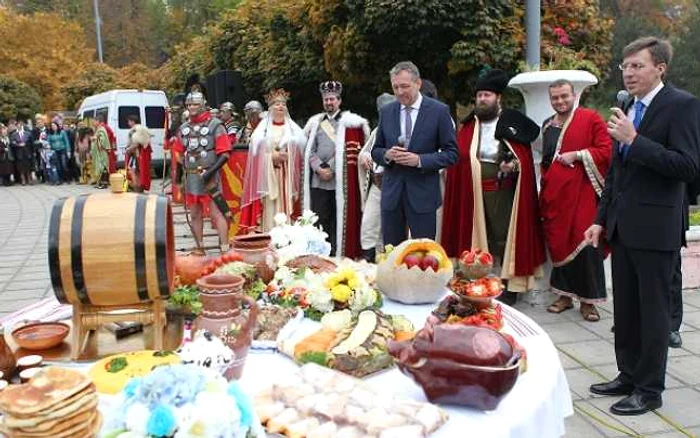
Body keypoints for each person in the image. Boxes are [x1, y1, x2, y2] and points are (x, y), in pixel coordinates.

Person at [587, 37, 700, 416]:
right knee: (628, 311)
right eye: (626, 67)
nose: (629, 73)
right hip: (622, 227)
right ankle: (628, 374)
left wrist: (635, 141)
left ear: (660, 68)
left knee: (653, 315)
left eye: (637, 66)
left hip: (656, 228)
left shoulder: (682, 106)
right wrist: (600, 220)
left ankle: (649, 390)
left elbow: (688, 166)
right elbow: (616, 171)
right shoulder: (627, 106)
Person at [441, 69, 545, 305]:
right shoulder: (468, 127)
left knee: (503, 235)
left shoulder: (512, 122)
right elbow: (459, 160)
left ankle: (510, 284)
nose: (481, 100)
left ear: (498, 98)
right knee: (477, 234)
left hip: (504, 190)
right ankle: (477, 277)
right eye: (479, 96)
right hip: (473, 191)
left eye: (486, 95)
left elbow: (526, 157)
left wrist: (514, 165)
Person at [539, 79, 613, 322]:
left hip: (582, 195)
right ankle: (564, 296)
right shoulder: (547, 125)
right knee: (559, 244)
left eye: (564, 96)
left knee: (586, 245)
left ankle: (589, 301)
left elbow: (606, 150)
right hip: (555, 196)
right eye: (555, 98)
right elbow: (546, 160)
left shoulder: (590, 119)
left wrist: (579, 154)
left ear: (574, 96)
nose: (560, 102)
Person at [370, 61, 459, 246]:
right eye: (395, 87)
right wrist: (388, 155)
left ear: (418, 83)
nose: (400, 92)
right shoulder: (387, 112)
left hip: (423, 195)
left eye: (404, 86)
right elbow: (375, 151)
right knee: (391, 253)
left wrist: (420, 160)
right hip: (392, 195)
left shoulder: (439, 111)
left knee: (423, 253)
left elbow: (452, 153)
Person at [302, 81, 369, 258]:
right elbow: (309, 150)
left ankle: (339, 254)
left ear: (339, 101)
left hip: (340, 181)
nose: (329, 103)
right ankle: (322, 255)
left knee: (338, 221)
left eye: (332, 99)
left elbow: (347, 150)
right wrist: (318, 168)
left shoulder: (350, 124)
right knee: (320, 219)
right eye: (326, 100)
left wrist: (330, 168)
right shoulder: (315, 123)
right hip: (319, 180)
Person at [172, 91, 233, 252]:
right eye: (190, 104)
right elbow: (178, 154)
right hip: (191, 177)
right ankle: (199, 247)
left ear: (203, 105)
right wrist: (178, 180)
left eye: (196, 104)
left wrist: (210, 172)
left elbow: (225, 153)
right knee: (194, 214)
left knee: (216, 213)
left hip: (210, 177)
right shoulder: (184, 128)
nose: (192, 107)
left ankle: (225, 247)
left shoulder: (215, 125)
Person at [241, 89, 306, 232]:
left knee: (288, 211)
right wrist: (271, 158)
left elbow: (302, 157)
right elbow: (254, 159)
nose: (280, 106)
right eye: (276, 104)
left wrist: (290, 157)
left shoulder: (296, 131)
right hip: (268, 181)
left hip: (288, 180)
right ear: (270, 108)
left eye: (283, 104)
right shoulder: (260, 133)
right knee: (270, 211)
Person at [358, 93, 396, 262]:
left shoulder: (403, 130)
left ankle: (386, 262)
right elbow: (365, 151)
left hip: (393, 184)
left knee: (389, 227)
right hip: (376, 183)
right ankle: (368, 260)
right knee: (369, 223)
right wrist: (364, 156)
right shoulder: (377, 130)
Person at [125, 115, 153, 192]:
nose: (128, 123)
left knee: (133, 170)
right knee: (140, 170)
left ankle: (137, 186)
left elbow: (136, 144)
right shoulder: (142, 128)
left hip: (138, 153)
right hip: (142, 153)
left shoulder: (135, 130)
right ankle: (140, 186)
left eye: (129, 121)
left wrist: (128, 149)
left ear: (133, 121)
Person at [9, 119, 33, 185]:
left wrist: (31, 151)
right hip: (19, 153)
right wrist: (18, 144)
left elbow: (31, 143)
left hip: (27, 152)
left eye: (21, 125)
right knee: (21, 167)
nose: (19, 126)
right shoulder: (14, 134)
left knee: (28, 166)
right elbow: (12, 143)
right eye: (18, 125)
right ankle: (23, 179)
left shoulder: (28, 133)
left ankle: (29, 179)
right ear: (16, 126)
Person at [93, 116, 112, 188]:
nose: (93, 123)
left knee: (103, 166)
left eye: (94, 121)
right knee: (100, 167)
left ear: (98, 121)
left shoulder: (101, 129)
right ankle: (100, 183)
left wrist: (95, 138)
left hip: (102, 151)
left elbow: (103, 139)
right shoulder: (98, 129)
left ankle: (104, 183)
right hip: (99, 152)